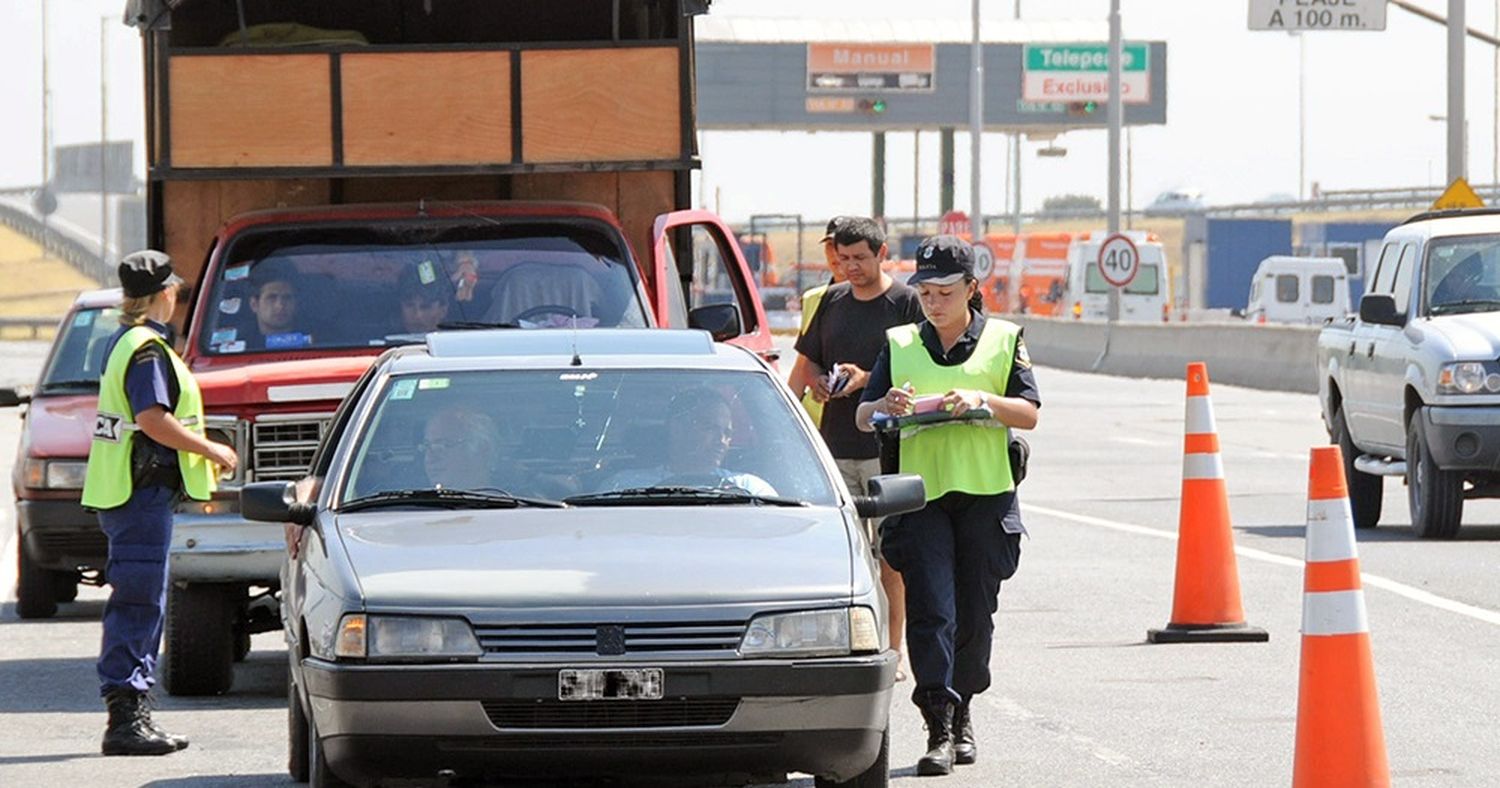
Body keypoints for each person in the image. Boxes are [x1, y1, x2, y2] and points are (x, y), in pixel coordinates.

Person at [855, 234, 1040, 777]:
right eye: (926, 292)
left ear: (971, 290)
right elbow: (865, 416)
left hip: (986, 495)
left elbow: (1028, 413)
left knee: (975, 614)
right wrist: (883, 405)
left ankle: (965, 715)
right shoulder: (901, 343)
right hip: (921, 498)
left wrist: (982, 401)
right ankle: (938, 724)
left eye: (944, 291)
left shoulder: (1005, 340)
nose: (933, 302)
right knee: (933, 609)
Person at [81, 250, 239, 756]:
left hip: (132, 492)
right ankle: (126, 719)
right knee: (140, 603)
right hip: (140, 491)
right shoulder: (147, 349)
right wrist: (209, 447)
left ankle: (132, 713)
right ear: (163, 293)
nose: (178, 298)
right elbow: (152, 418)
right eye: (176, 290)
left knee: (142, 600)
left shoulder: (124, 341)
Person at [793, 216, 924, 675]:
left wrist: (868, 380)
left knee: (891, 557)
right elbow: (806, 366)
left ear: (882, 254)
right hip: (834, 449)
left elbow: (921, 374)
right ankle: (850, 644)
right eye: (842, 258)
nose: (850, 267)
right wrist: (820, 385)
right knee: (843, 554)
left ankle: (894, 649)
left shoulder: (907, 303)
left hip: (885, 450)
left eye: (859, 259)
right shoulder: (829, 302)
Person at [605, 387, 776, 496]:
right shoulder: (627, 487)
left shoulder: (750, 489)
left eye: (727, 432)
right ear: (677, 428)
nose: (721, 441)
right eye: (710, 428)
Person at [786, 216, 850, 425]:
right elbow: (803, 364)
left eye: (843, 245)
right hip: (818, 420)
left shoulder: (885, 299)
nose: (836, 254)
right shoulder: (814, 299)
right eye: (831, 246)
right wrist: (787, 419)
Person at [245, 259, 308, 349]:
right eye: (271, 298)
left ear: (296, 303)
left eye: (287, 298)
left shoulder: (317, 342)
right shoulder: (242, 346)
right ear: (254, 304)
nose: (280, 306)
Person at [395, 260, 455, 334]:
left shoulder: (458, 342)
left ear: (443, 309)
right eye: (409, 305)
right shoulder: (379, 340)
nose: (417, 315)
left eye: (426, 307)